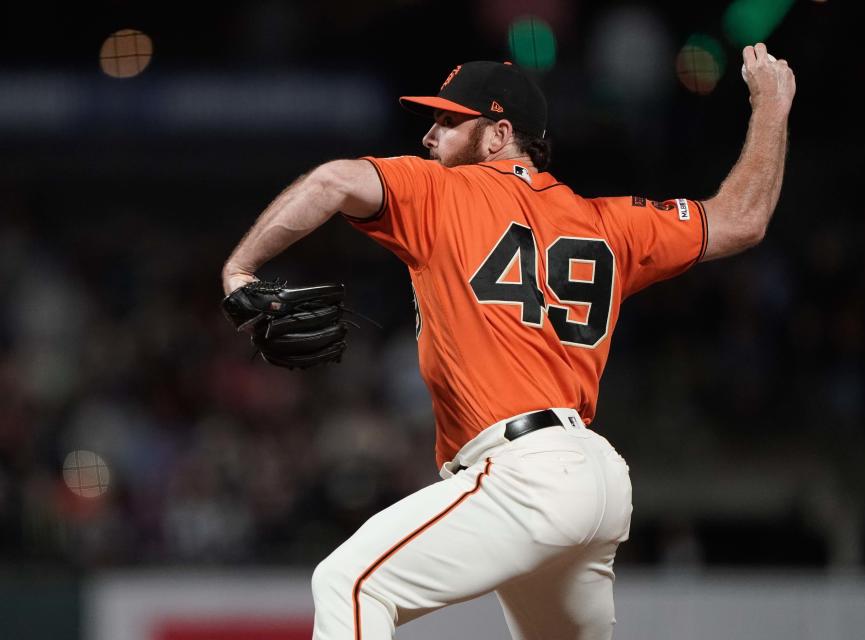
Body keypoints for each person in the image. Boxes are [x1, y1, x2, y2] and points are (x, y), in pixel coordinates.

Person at [222, 43, 795, 640]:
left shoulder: (442, 193)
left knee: (350, 583)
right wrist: (773, 107)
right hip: (596, 477)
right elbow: (740, 219)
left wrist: (240, 270)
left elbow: (334, 179)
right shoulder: (610, 222)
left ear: (499, 135)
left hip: (523, 474)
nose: (430, 137)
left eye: (448, 122)